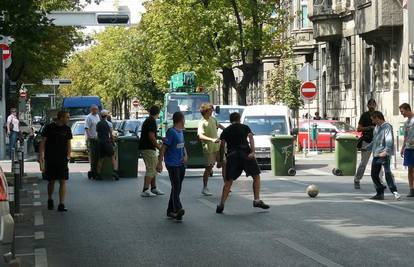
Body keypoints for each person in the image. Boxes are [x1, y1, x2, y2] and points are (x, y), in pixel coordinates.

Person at [216, 112, 270, 213]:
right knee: (256, 176)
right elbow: (251, 137)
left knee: (228, 181)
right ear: (239, 119)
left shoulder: (226, 131)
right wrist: (253, 152)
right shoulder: (245, 127)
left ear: (230, 120)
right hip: (246, 154)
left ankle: (221, 204)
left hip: (232, 156)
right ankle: (257, 200)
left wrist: (220, 160)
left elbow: (222, 146)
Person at [157, 112, 188, 220]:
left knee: (177, 188)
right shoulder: (171, 132)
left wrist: (185, 155)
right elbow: (164, 148)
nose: (185, 121)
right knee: (176, 186)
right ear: (181, 120)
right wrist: (159, 162)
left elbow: (183, 146)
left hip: (181, 164)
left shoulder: (181, 132)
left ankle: (170, 211)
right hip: (172, 164)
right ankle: (178, 209)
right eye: (184, 119)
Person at [39, 111, 72, 212]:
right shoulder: (49, 127)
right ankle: (50, 199)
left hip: (62, 159)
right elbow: (43, 142)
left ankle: (61, 204)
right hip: (51, 158)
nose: (68, 119)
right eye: (67, 117)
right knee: (51, 181)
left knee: (63, 180)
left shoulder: (67, 129)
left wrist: (68, 156)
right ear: (61, 118)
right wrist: (41, 155)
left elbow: (68, 143)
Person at [368, 111, 401, 200]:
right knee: (374, 174)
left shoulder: (387, 127)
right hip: (376, 154)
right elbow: (374, 141)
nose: (372, 122)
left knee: (387, 173)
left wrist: (386, 151)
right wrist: (367, 147)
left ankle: (394, 191)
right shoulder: (376, 128)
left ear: (378, 118)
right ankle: (380, 192)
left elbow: (389, 140)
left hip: (384, 154)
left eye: (373, 120)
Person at [198, 103, 225, 196]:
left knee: (224, 163)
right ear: (206, 111)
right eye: (210, 110)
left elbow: (219, 125)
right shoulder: (202, 122)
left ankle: (226, 185)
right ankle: (204, 187)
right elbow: (200, 136)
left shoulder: (213, 119)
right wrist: (212, 139)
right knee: (208, 168)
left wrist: (226, 130)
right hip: (208, 149)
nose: (212, 111)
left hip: (217, 148)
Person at [139, 106, 164, 197]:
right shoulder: (152, 121)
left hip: (146, 147)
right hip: (148, 148)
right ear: (158, 113)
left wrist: (161, 138)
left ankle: (153, 188)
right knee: (151, 168)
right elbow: (151, 136)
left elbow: (151, 135)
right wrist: (159, 147)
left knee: (152, 168)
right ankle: (145, 190)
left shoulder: (148, 120)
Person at [354, 99, 378, 189]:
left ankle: (380, 182)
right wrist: (369, 127)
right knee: (364, 162)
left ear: (375, 105)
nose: (372, 106)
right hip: (367, 140)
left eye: (373, 104)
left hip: (377, 142)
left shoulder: (378, 114)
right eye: (370, 104)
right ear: (367, 105)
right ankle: (357, 179)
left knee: (378, 162)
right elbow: (359, 129)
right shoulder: (364, 115)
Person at [96, 110, 119, 180]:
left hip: (100, 143)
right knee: (112, 156)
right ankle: (114, 172)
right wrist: (113, 142)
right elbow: (111, 134)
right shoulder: (108, 124)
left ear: (100, 116)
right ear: (106, 116)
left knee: (100, 159)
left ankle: (98, 174)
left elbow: (97, 134)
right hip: (107, 142)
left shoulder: (98, 124)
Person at [399, 103, 414, 197]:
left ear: (408, 109)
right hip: (408, 148)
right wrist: (402, 148)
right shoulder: (406, 123)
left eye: (402, 111)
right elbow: (405, 137)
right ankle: (411, 189)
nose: (402, 114)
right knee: (410, 169)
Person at [85, 105, 100, 178]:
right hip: (91, 139)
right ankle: (92, 170)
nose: (96, 111)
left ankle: (95, 170)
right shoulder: (89, 117)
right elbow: (86, 128)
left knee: (96, 155)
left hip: (97, 138)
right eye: (95, 109)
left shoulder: (97, 116)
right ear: (92, 110)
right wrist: (89, 137)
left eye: (97, 109)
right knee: (92, 154)